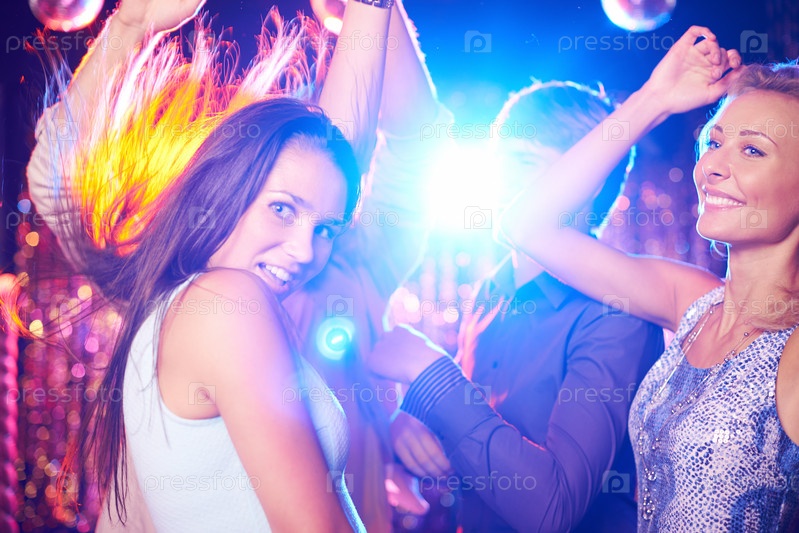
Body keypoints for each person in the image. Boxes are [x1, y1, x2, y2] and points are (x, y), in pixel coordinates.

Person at [23, 0, 402, 529]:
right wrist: (131, 24)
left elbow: (333, 162)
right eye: (280, 209)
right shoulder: (223, 303)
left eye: (326, 231)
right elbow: (55, 182)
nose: (304, 250)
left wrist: (370, 9)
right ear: (223, 192)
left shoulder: (183, 296)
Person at [497, 27, 799, 530]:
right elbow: (527, 226)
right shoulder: (694, 303)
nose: (712, 166)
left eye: (752, 150)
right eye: (714, 141)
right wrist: (655, 99)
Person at [374, 82, 665, 530]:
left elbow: (553, 510)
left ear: (589, 179)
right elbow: (478, 439)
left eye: (525, 161)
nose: (500, 178)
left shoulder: (616, 313)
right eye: (499, 159)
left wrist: (432, 374)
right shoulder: (491, 292)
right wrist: (409, 428)